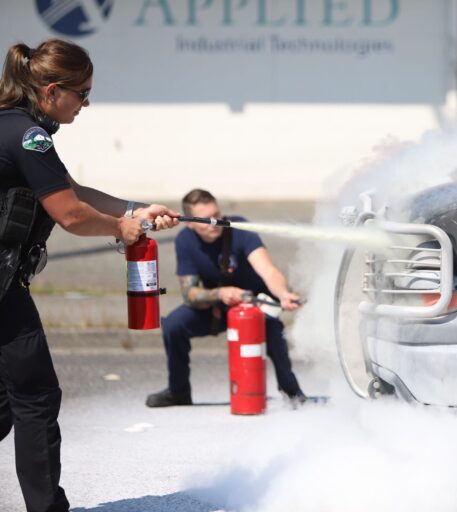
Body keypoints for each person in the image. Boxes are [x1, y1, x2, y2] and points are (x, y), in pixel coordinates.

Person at [0, 39, 179, 512]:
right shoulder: (28, 136)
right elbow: (71, 214)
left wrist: (135, 209)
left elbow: (70, 190)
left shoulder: (16, 127)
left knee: (5, 401)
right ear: (52, 90)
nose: (86, 103)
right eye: (82, 94)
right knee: (35, 395)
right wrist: (124, 228)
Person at [145, 188, 307, 408]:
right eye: (205, 220)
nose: (214, 223)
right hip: (218, 307)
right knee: (173, 325)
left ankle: (292, 393)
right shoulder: (185, 241)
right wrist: (221, 294)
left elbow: (268, 270)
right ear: (189, 223)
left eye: (217, 215)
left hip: (254, 306)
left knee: (272, 331)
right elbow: (190, 294)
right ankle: (178, 391)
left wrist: (284, 294)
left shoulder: (240, 228)